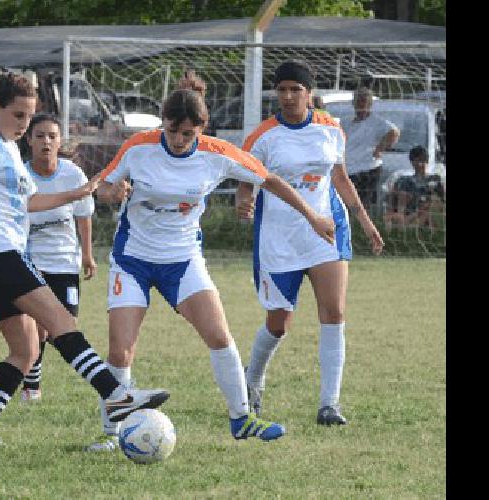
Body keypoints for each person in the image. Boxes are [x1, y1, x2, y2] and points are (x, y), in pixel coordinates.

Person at [85, 73, 337, 452]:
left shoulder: (218, 153)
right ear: (163, 123)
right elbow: (101, 186)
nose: (179, 140)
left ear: (200, 130)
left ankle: (241, 418)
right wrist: (111, 192)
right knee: (121, 350)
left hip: (183, 260)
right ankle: (111, 434)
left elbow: (269, 179)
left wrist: (312, 216)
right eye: (173, 131)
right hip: (133, 259)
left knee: (218, 335)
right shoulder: (139, 146)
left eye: (188, 134)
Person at [0, 72, 169, 446]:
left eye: (29, 116)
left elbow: (29, 203)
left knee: (26, 351)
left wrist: (80, 192)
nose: (24, 124)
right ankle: (117, 396)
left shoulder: (9, 148)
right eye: (17, 115)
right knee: (60, 320)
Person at [239, 60, 385, 427]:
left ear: (310, 93)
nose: (288, 96)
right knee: (278, 323)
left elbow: (340, 178)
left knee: (333, 313)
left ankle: (329, 405)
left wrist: (366, 223)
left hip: (326, 232)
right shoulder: (263, 136)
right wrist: (244, 198)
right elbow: (245, 179)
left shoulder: (330, 128)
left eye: (296, 90)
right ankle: (252, 382)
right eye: (282, 89)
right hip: (279, 238)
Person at [16, 113, 97, 403]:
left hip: (65, 262)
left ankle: (31, 378)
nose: (46, 142)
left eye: (52, 136)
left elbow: (84, 215)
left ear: (60, 141)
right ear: (29, 141)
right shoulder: (21, 175)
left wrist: (87, 255)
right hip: (31, 262)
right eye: (39, 136)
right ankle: (32, 387)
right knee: (37, 327)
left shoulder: (73, 175)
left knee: (63, 324)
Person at [341, 87, 400, 210]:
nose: (360, 104)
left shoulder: (377, 122)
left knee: (362, 203)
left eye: (363, 101)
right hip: (348, 168)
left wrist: (380, 148)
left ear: (370, 104)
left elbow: (394, 132)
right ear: (353, 103)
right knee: (345, 201)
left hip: (367, 167)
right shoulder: (346, 122)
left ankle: (362, 225)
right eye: (358, 101)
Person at [383, 145, 444, 230]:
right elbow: (392, 197)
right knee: (402, 193)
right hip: (410, 211)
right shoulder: (404, 180)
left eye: (423, 161)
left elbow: (441, 200)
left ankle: (403, 226)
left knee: (427, 206)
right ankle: (402, 223)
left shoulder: (435, 179)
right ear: (412, 162)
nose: (420, 164)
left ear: (427, 161)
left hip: (426, 211)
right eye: (417, 161)